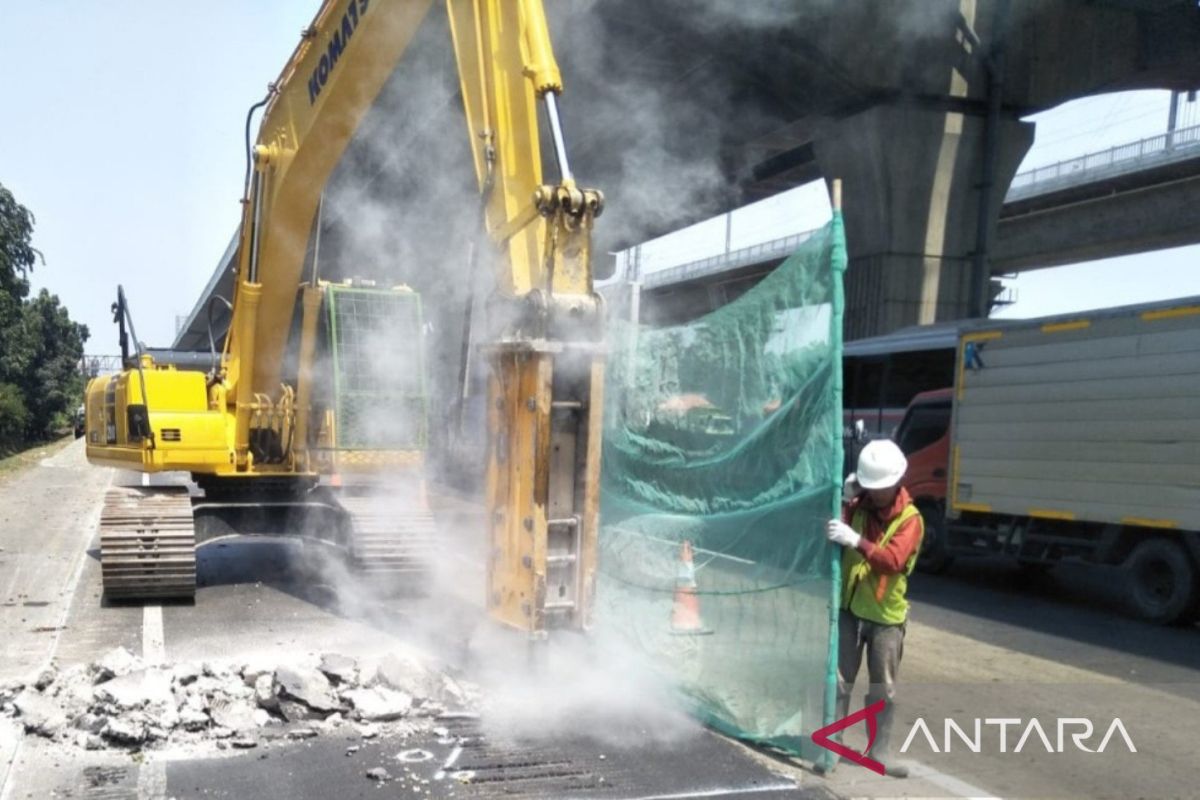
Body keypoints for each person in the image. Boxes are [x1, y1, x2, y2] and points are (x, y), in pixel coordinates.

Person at [825, 439, 924, 778]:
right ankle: (832, 749)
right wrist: (843, 499)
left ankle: (879, 752)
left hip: (885, 617)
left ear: (897, 482)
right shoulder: (859, 506)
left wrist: (855, 540)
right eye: (871, 487)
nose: (876, 494)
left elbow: (892, 561)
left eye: (881, 488)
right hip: (852, 609)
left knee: (882, 686)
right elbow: (833, 527)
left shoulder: (911, 520)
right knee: (840, 681)